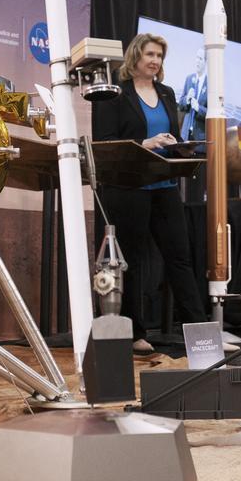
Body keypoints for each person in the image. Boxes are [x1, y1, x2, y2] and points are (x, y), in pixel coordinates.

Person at [92, 33, 210, 355]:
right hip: (128, 189)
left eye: (160, 56)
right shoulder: (116, 95)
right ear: (136, 57)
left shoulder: (168, 93)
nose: (156, 61)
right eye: (150, 54)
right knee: (130, 262)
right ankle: (133, 333)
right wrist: (146, 144)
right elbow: (104, 144)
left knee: (180, 260)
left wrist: (177, 147)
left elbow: (170, 135)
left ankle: (200, 335)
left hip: (164, 186)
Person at [177, 47, 208, 141]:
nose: (197, 61)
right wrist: (187, 99)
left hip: (199, 137)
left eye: (200, 59)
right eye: (197, 58)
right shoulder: (189, 79)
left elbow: (213, 114)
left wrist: (199, 108)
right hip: (185, 134)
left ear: (206, 62)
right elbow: (181, 106)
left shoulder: (211, 85)